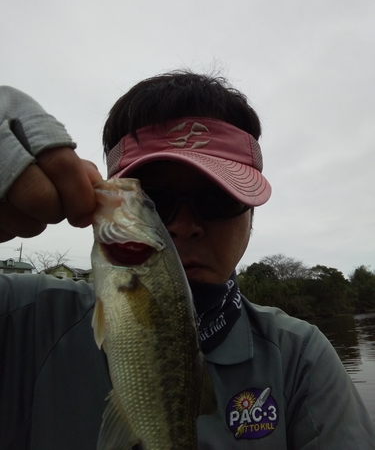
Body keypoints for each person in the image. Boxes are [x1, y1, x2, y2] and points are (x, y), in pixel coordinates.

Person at [0, 72, 374, 450]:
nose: (183, 225)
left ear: (250, 214)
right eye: (155, 200)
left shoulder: (300, 358)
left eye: (216, 198)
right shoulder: (21, 318)